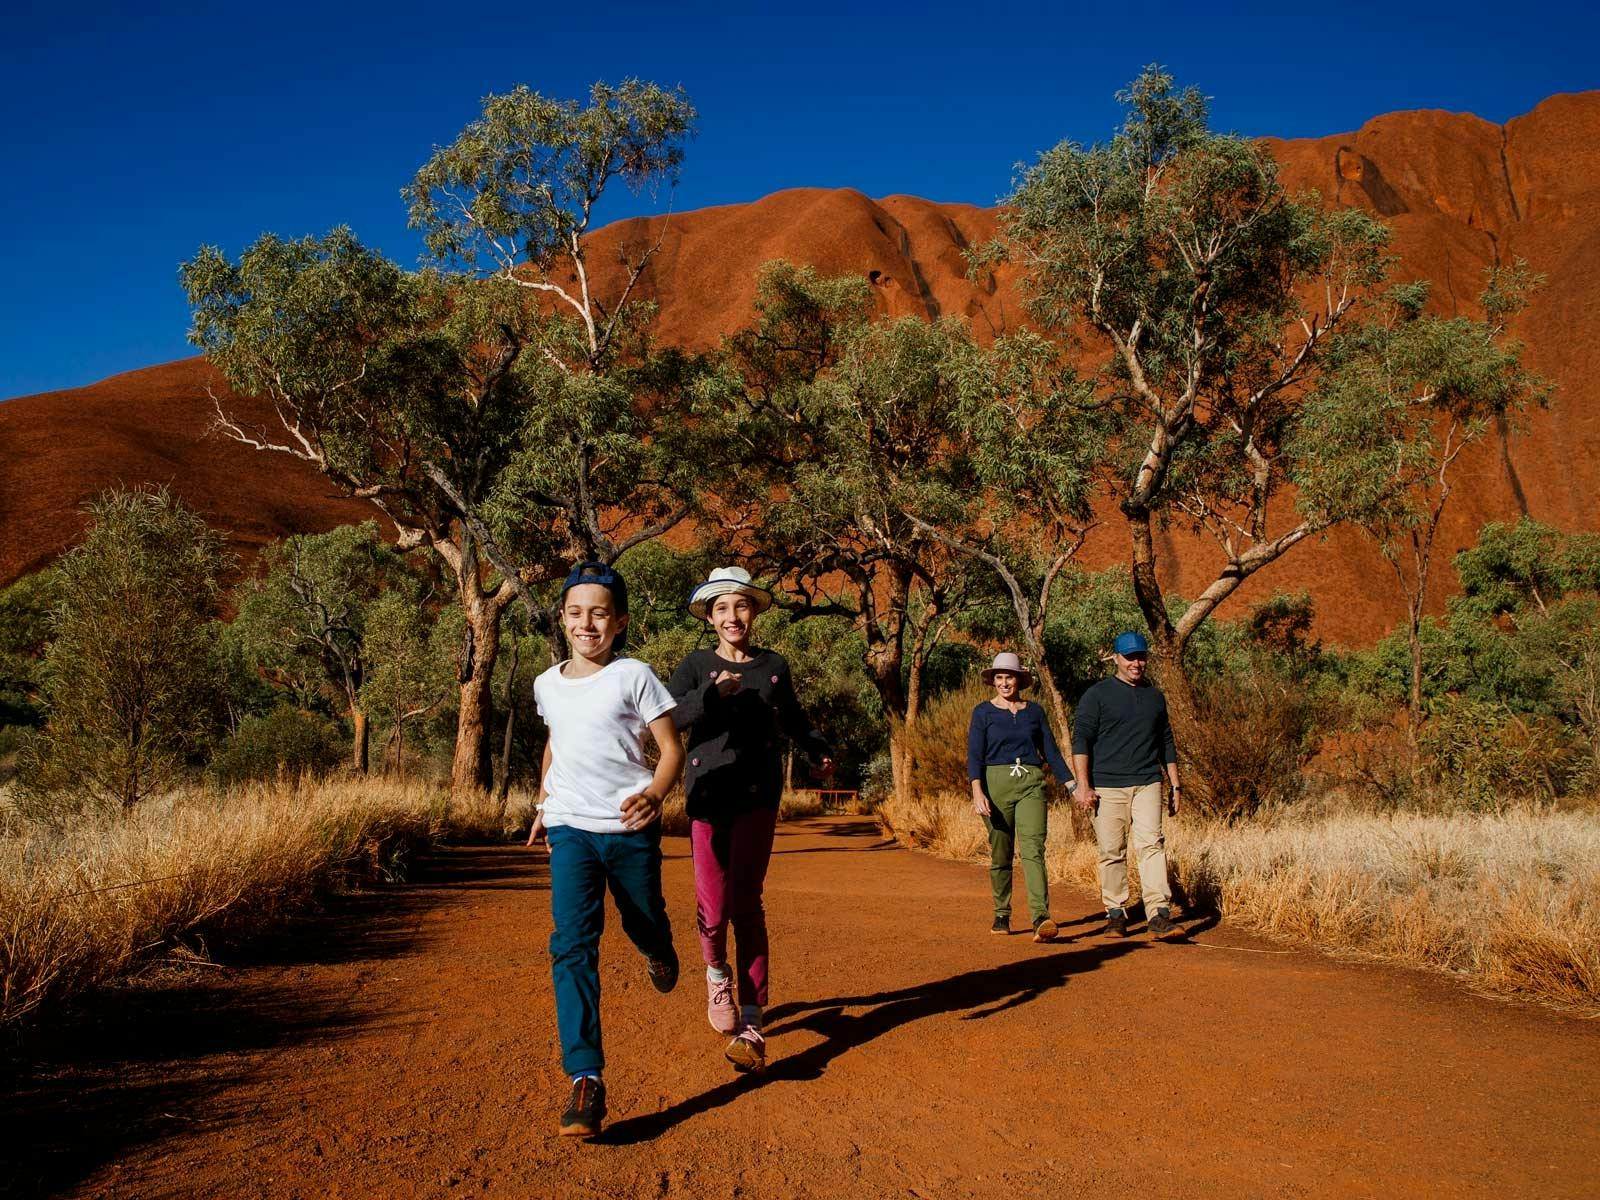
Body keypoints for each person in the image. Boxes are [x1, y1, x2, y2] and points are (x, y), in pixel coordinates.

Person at [526, 561, 684, 1139]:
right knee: (572, 944)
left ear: (617, 622)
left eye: (598, 614)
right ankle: (585, 1078)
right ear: (562, 619)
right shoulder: (547, 683)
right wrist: (544, 808)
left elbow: (670, 749)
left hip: (628, 827)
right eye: (575, 613)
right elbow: (555, 748)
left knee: (643, 919)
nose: (585, 624)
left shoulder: (634, 676)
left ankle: (658, 948)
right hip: (570, 827)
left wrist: (655, 795)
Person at [668, 566, 833, 1074]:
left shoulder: (774, 666)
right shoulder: (695, 666)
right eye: (721, 608)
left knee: (748, 904)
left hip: (759, 795)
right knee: (712, 907)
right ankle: (717, 973)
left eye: (741, 605)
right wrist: (710, 697)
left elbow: (794, 717)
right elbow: (669, 716)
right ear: (710, 617)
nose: (732, 615)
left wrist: (817, 750)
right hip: (709, 796)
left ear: (754, 612)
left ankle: (754, 1016)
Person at [1070, 631, 1181, 938]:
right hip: (1107, 786)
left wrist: (1175, 785)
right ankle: (1116, 913)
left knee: (1151, 845)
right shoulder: (1097, 695)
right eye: (1130, 657)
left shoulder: (1155, 697)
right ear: (1115, 658)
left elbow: (1166, 742)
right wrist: (1083, 785)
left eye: (1141, 656)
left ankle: (1158, 913)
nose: (1136, 663)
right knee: (1112, 850)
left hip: (1147, 782)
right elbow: (1082, 742)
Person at [966, 651, 1073, 942]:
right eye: (999, 677)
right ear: (993, 681)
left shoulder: (1034, 712)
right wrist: (977, 791)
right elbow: (974, 755)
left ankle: (1041, 917)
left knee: (1033, 849)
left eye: (1009, 677)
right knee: (1001, 851)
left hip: (1031, 784)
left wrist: (1073, 785)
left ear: (1019, 680)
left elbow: (1050, 751)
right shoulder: (982, 712)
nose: (1004, 683)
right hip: (994, 787)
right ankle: (1002, 912)